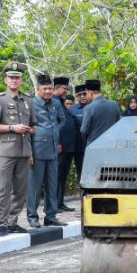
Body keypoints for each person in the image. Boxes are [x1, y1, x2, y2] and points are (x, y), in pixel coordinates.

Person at [0, 63, 37, 237]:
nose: (14, 80)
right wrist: (12, 128)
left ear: (22, 80)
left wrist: (30, 130)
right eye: (11, 77)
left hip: (23, 152)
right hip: (5, 152)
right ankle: (2, 223)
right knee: (3, 190)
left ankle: (12, 222)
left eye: (17, 77)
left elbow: (33, 125)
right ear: (6, 80)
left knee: (21, 190)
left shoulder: (28, 101)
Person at [27, 74, 66, 228]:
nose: (48, 91)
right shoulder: (31, 104)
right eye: (45, 89)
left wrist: (53, 131)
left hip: (53, 149)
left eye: (50, 88)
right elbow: (27, 127)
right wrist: (29, 152)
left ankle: (51, 216)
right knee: (35, 186)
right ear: (38, 89)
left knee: (52, 184)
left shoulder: (56, 103)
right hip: (37, 150)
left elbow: (62, 119)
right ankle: (32, 217)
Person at [53, 79, 78, 212]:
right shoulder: (53, 101)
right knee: (56, 175)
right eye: (64, 88)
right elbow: (54, 124)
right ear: (57, 87)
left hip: (68, 146)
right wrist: (57, 143)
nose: (66, 91)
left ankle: (60, 202)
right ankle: (53, 204)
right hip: (60, 146)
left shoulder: (62, 102)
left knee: (63, 175)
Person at [81, 79, 121, 146]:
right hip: (111, 144)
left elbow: (83, 131)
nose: (85, 96)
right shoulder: (114, 104)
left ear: (90, 93)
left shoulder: (89, 108)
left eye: (86, 93)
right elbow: (118, 124)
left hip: (94, 145)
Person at [71, 84, 88, 182]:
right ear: (76, 97)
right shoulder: (72, 110)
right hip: (79, 148)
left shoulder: (94, 107)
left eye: (84, 94)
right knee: (80, 172)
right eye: (79, 94)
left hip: (93, 146)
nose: (82, 96)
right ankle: (83, 195)